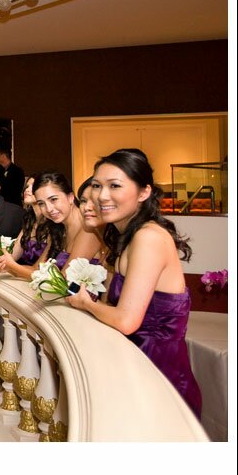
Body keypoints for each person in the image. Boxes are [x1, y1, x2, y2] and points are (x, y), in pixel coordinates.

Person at [67, 148, 201, 418]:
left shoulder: (148, 237)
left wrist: (85, 303)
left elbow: (127, 321)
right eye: (96, 185)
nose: (101, 195)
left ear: (143, 193)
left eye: (114, 185)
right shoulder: (127, 236)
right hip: (136, 364)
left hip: (160, 373)